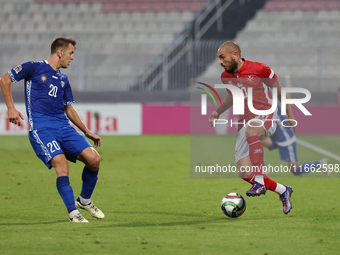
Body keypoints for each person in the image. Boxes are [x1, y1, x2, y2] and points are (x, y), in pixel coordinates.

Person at [0, 38, 104, 223]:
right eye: (71, 53)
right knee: (61, 164)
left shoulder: (63, 79)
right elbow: (5, 79)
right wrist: (10, 107)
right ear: (60, 52)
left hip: (64, 127)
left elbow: (69, 108)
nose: (72, 58)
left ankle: (85, 201)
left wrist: (87, 131)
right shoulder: (34, 67)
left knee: (94, 159)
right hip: (42, 129)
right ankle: (73, 213)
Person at [209, 41, 294, 214]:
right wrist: (217, 112)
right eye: (219, 58)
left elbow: (278, 89)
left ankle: (260, 183)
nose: (220, 62)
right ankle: (283, 190)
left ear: (235, 55)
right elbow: (232, 96)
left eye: (222, 57)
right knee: (244, 173)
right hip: (247, 121)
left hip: (267, 115)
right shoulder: (226, 76)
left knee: (251, 130)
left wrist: (290, 115)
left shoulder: (260, 69)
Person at [261, 103, 329, 176]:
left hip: (285, 138)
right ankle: (262, 169)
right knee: (254, 139)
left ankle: (320, 163)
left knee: (296, 170)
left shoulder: (269, 101)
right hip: (275, 136)